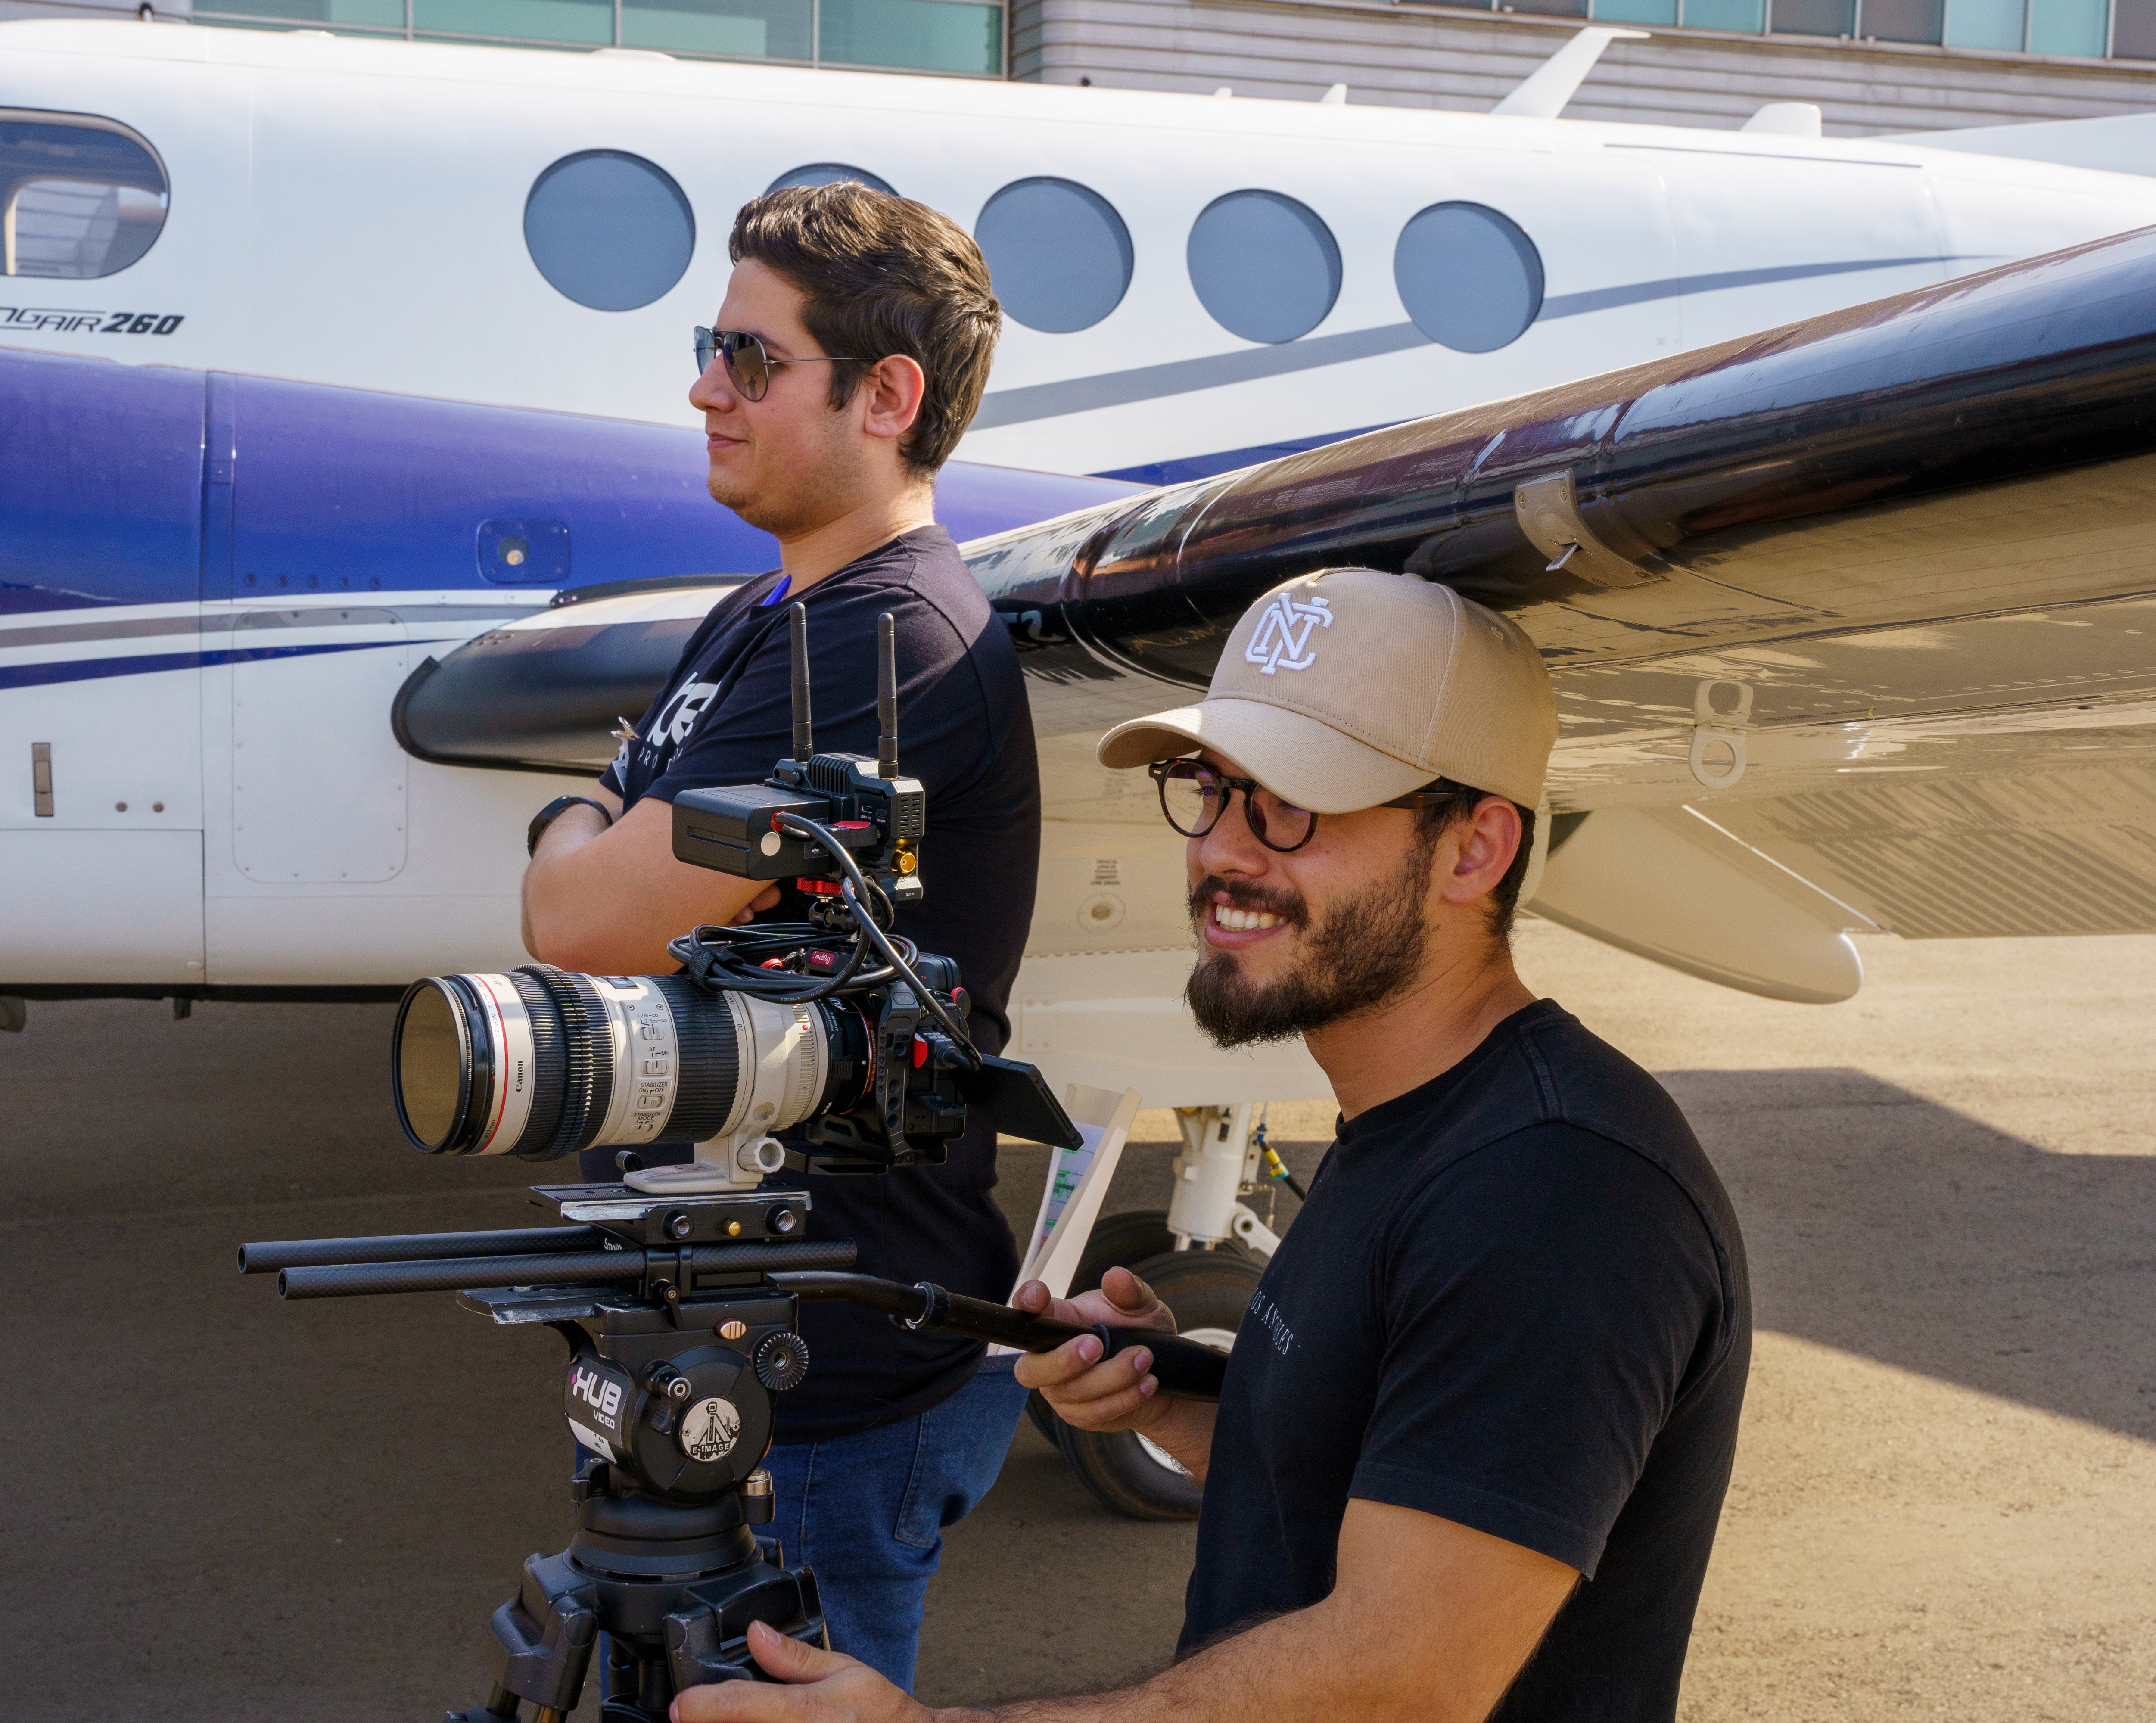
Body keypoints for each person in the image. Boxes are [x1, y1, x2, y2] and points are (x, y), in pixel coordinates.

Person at [667, 567, 1752, 1723]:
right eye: (1212, 789)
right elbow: (1389, 1451)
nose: (1223, 854)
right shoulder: (1421, 1121)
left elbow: (1403, 1679)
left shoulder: (1559, 1189)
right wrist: (1177, 1402)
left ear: (1475, 850)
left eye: (1292, 803)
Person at [518, 182, 1038, 1692]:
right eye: (710, 347)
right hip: (718, 1364)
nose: (703, 387)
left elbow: (584, 915)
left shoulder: (893, 645)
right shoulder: (766, 617)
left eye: (751, 359)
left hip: (824, 1389)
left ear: (888, 396)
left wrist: (588, 826)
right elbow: (606, 873)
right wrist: (601, 837)